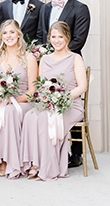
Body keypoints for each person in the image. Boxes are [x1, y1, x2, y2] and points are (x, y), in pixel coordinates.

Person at [35, 0, 90, 168]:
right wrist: (47, 58)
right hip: (49, 62)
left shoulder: (80, 8)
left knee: (68, 101)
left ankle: (75, 154)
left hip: (69, 61)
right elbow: (42, 33)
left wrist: (60, 56)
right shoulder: (45, 8)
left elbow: (79, 39)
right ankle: (45, 157)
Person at [21, 21, 87, 181]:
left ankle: (48, 168)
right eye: (53, 36)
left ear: (67, 38)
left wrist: (62, 98)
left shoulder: (75, 58)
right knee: (30, 116)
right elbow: (41, 85)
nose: (57, 40)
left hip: (70, 105)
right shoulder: (45, 59)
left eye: (60, 37)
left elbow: (82, 87)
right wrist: (45, 97)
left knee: (45, 118)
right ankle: (34, 163)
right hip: (48, 104)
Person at [0, 20, 38, 179]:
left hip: (23, 102)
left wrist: (14, 100)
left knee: (9, 112)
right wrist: (0, 96)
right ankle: (0, 158)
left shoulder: (29, 58)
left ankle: (12, 161)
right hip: (1, 101)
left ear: (18, 34)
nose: (8, 36)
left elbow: (33, 91)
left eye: (11, 32)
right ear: (1, 36)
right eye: (5, 33)